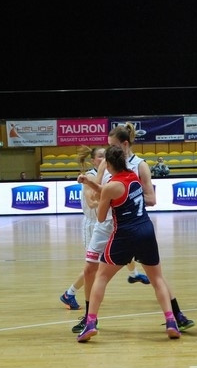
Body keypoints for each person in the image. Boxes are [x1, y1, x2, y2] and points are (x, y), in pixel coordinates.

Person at [75, 145, 180, 342]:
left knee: (102, 277)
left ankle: (90, 323)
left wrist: (97, 192)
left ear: (109, 165)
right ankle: (171, 321)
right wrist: (91, 183)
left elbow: (100, 216)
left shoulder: (111, 186)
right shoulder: (134, 177)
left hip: (124, 234)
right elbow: (112, 192)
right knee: (157, 279)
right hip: (146, 230)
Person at [60, 145, 105, 311]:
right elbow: (92, 203)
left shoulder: (107, 176)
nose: (104, 159)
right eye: (100, 156)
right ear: (93, 160)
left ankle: (133, 273)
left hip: (105, 224)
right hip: (92, 225)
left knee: (106, 263)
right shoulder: (89, 177)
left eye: (106, 156)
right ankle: (69, 293)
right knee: (92, 267)